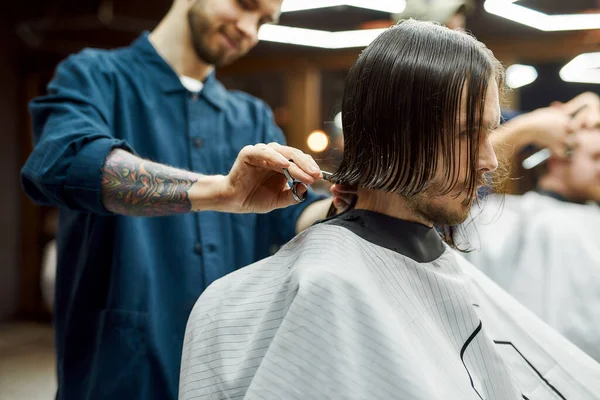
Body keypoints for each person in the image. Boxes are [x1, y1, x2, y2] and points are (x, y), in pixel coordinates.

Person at [179, 20, 600, 400]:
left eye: (489, 132)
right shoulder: (325, 289)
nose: (490, 159)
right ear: (400, 135)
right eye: (469, 134)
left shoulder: (431, 260)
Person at [20, 0, 353, 398]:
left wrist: (343, 204)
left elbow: (290, 216)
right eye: (245, 5)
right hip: (117, 376)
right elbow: (64, 162)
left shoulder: (251, 117)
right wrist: (219, 191)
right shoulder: (93, 76)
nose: (249, 28)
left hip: (226, 374)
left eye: (263, 20)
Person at [461, 129, 600, 362]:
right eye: (596, 157)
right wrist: (528, 128)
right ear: (556, 158)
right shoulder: (509, 218)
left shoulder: (587, 217)